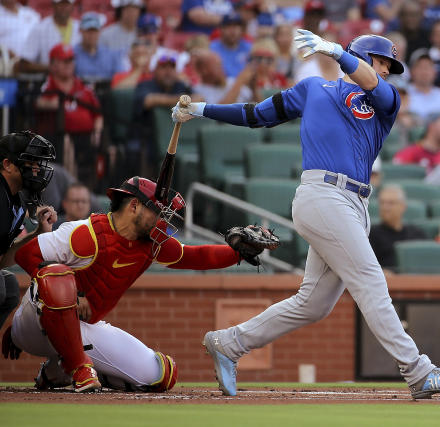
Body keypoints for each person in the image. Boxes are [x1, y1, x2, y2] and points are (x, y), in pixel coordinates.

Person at [172, 30, 440, 399]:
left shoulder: (386, 99)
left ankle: (229, 343)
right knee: (371, 283)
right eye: (380, 61)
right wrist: (199, 109)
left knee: (312, 304)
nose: (385, 70)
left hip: (355, 203)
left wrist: (337, 53)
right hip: (322, 194)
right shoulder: (313, 88)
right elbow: (256, 115)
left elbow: (372, 84)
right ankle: (419, 372)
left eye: (388, 66)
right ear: (362, 56)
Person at [1, 176, 264, 392]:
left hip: (84, 328)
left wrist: (238, 253)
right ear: (134, 207)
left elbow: (194, 256)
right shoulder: (85, 232)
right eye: (157, 212)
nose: (162, 220)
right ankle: (79, 368)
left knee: (161, 375)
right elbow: (27, 255)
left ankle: (55, 372)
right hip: (36, 324)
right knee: (58, 278)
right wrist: (73, 294)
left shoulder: (152, 243)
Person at [0, 131, 57, 329]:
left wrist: (38, 233)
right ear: (7, 164)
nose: (36, 169)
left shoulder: (17, 200)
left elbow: (3, 260)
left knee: (9, 287)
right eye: (31, 162)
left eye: (38, 163)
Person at [35, 44, 103, 189]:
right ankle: (72, 188)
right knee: (66, 141)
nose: (69, 65)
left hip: (87, 136)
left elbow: (98, 114)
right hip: (56, 137)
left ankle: (97, 189)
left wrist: (97, 132)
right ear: (53, 65)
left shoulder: (82, 86)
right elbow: (38, 102)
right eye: (64, 61)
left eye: (71, 61)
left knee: (111, 149)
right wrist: (55, 103)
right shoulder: (47, 84)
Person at [368, 185, 426, 271]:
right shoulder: (371, 234)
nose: (385, 208)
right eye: (382, 203)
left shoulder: (417, 233)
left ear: (403, 206)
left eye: (391, 203)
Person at [17, 0, 80, 74]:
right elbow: (24, 64)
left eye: (66, 4)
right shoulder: (40, 28)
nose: (63, 8)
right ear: (53, 5)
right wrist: (51, 68)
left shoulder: (80, 28)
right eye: (60, 4)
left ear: (72, 7)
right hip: (47, 79)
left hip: (75, 80)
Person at [405, 48, 440, 125]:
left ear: (435, 72)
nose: (425, 71)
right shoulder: (401, 94)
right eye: (420, 67)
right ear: (411, 71)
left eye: (428, 67)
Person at [74, 12, 124, 82]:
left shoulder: (111, 55)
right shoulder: (72, 55)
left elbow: (121, 79)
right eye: (88, 31)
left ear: (100, 31)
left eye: (95, 31)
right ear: (81, 31)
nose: (91, 35)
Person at [209, 12, 252, 78]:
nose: (232, 30)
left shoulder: (250, 48)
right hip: (220, 86)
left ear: (242, 29)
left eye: (236, 26)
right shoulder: (212, 49)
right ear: (221, 29)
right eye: (228, 26)